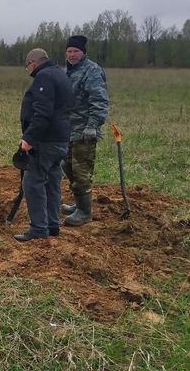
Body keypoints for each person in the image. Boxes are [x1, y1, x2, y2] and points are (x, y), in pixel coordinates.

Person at [15, 48, 73, 242]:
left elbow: (43, 113)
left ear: (33, 62)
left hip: (45, 141)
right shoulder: (61, 75)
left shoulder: (44, 78)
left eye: (27, 66)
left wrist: (28, 138)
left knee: (33, 183)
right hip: (61, 140)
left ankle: (39, 228)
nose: (27, 70)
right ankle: (52, 224)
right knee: (52, 182)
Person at [60, 35, 110, 227]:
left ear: (84, 53)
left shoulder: (92, 71)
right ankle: (78, 204)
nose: (72, 55)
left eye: (76, 51)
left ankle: (85, 212)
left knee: (81, 170)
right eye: (69, 51)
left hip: (84, 130)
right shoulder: (68, 72)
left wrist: (93, 125)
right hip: (68, 129)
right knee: (68, 166)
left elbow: (99, 100)